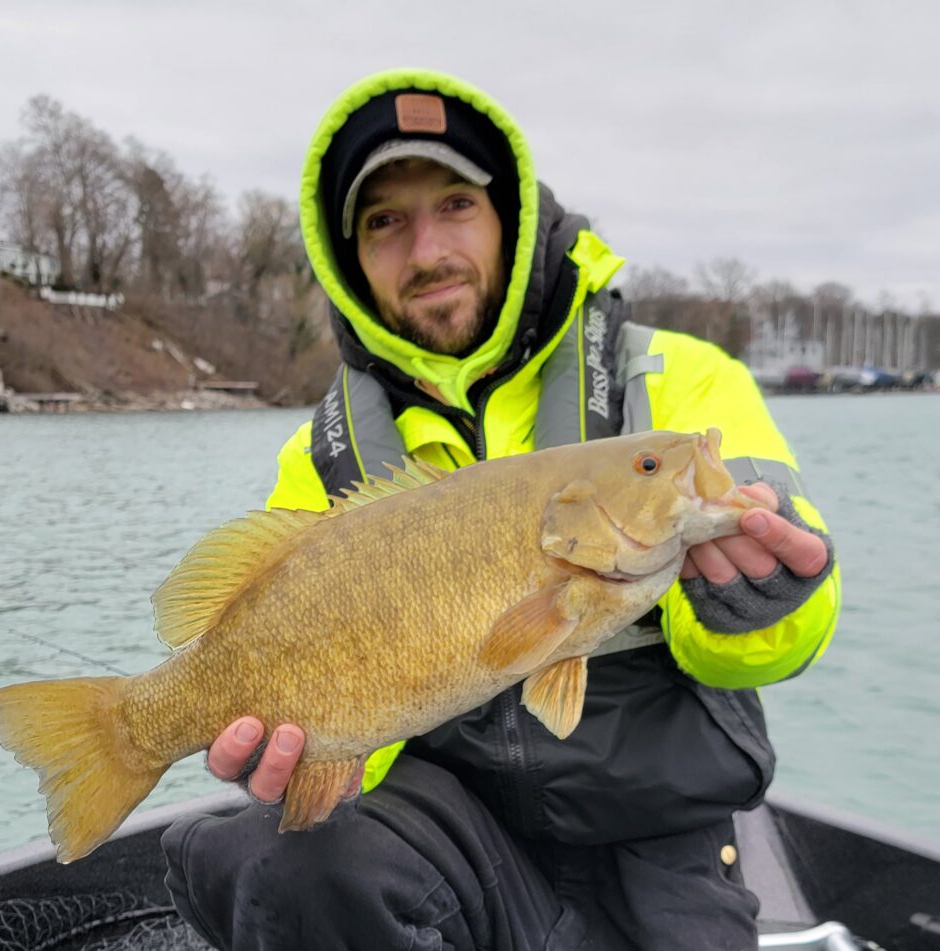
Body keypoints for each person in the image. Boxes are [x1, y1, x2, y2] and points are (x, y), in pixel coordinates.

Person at [161, 68, 839, 950]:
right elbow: (330, 694)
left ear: (510, 220)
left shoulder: (682, 384)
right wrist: (295, 748)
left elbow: (793, 627)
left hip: (661, 856)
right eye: (384, 222)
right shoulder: (321, 456)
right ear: (351, 259)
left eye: (454, 204)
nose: (426, 248)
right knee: (283, 859)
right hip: (452, 839)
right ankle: (137, 726)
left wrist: (764, 598)